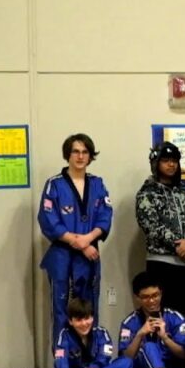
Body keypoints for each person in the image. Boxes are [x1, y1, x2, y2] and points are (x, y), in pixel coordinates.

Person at [38, 133, 113, 346]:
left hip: (89, 255)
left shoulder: (97, 184)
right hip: (63, 255)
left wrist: (88, 239)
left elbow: (106, 215)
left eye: (85, 152)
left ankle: (90, 364)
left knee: (89, 309)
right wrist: (76, 242)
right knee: (62, 311)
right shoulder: (54, 184)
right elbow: (47, 218)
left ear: (90, 156)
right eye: (75, 152)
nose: (80, 156)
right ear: (68, 155)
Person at [136, 141, 185, 322]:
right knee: (164, 320)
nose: (171, 164)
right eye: (166, 160)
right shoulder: (146, 194)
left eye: (174, 160)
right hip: (161, 267)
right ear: (156, 163)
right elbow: (152, 227)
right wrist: (184, 250)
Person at [119, 271, 185, 368]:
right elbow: (126, 358)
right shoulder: (129, 322)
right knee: (150, 346)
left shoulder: (175, 318)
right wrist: (140, 334)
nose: (152, 301)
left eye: (155, 295)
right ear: (137, 298)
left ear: (161, 293)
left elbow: (182, 354)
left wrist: (165, 338)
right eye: (145, 297)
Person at [54, 297, 137, 368]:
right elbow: (60, 360)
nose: (84, 323)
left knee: (126, 362)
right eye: (79, 320)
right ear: (70, 321)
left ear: (93, 318)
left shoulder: (102, 333)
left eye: (87, 318)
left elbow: (104, 358)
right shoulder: (64, 335)